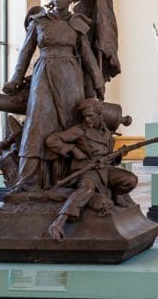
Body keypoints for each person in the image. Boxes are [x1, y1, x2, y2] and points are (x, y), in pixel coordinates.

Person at [4, 0, 105, 192]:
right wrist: (15, 79)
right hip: (44, 75)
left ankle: (72, 179)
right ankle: (28, 180)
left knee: (70, 124)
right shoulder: (39, 22)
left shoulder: (77, 24)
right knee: (36, 125)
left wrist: (98, 83)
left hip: (70, 78)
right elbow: (25, 53)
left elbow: (87, 56)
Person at [44, 99, 138, 241]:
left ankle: (117, 195)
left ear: (100, 115)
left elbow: (108, 157)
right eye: (85, 116)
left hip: (104, 169)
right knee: (86, 189)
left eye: (90, 116)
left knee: (130, 180)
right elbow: (52, 140)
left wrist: (118, 155)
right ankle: (58, 223)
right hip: (86, 169)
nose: (87, 119)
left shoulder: (106, 132)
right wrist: (72, 149)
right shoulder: (79, 130)